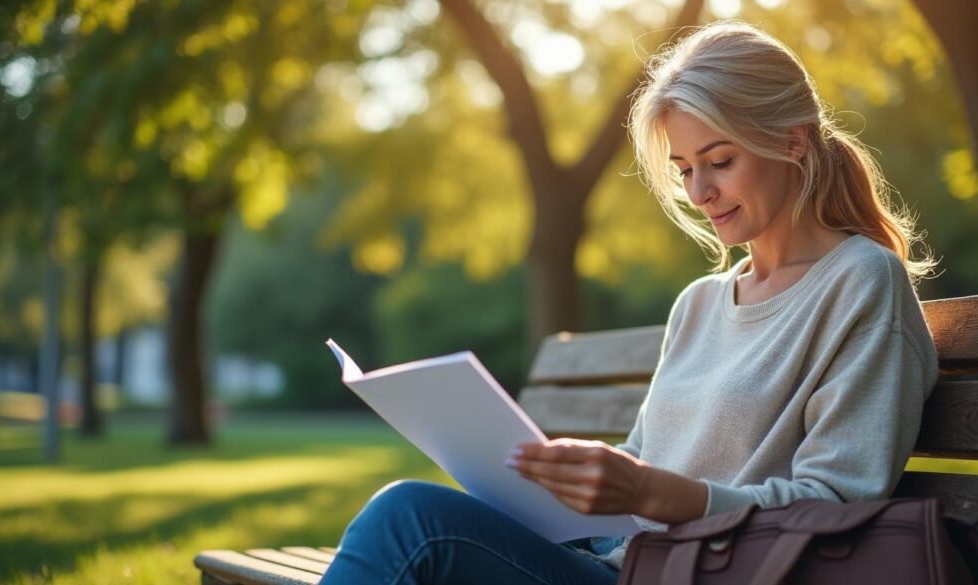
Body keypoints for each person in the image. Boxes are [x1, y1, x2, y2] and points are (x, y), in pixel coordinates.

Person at [318, 20, 939, 585]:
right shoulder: (699, 303)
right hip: (626, 557)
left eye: (719, 161)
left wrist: (658, 493)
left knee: (410, 520)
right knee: (415, 516)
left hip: (706, 573)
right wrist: (563, 472)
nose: (700, 191)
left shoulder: (861, 283)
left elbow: (839, 503)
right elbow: (643, 463)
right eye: (684, 169)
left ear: (795, 142)